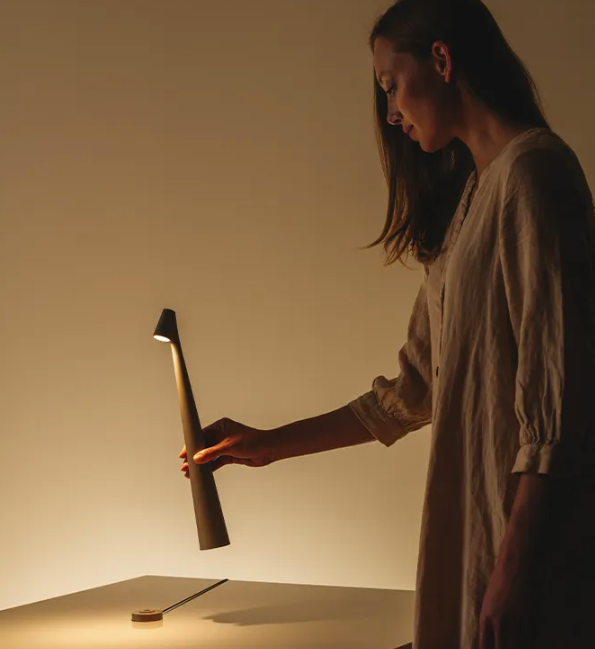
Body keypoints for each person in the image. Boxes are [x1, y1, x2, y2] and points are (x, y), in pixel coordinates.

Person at [180, 0, 595, 647]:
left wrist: (513, 567)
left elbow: (557, 404)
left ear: (440, 59)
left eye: (389, 84)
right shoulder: (471, 200)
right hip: (477, 537)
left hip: (525, 550)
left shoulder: (534, 174)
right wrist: (265, 444)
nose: (391, 112)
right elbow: (409, 394)